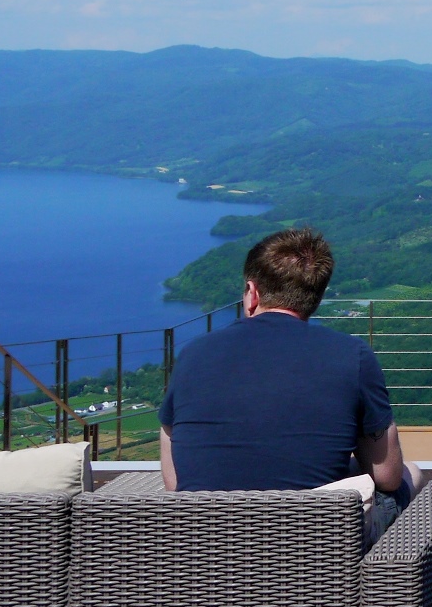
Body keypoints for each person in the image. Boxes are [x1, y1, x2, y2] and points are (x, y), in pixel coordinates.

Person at [159, 228, 416, 540]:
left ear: (252, 292)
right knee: (410, 474)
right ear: (315, 299)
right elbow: (386, 477)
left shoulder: (193, 354)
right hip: (312, 545)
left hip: (207, 541)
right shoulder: (353, 355)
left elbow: (175, 483)